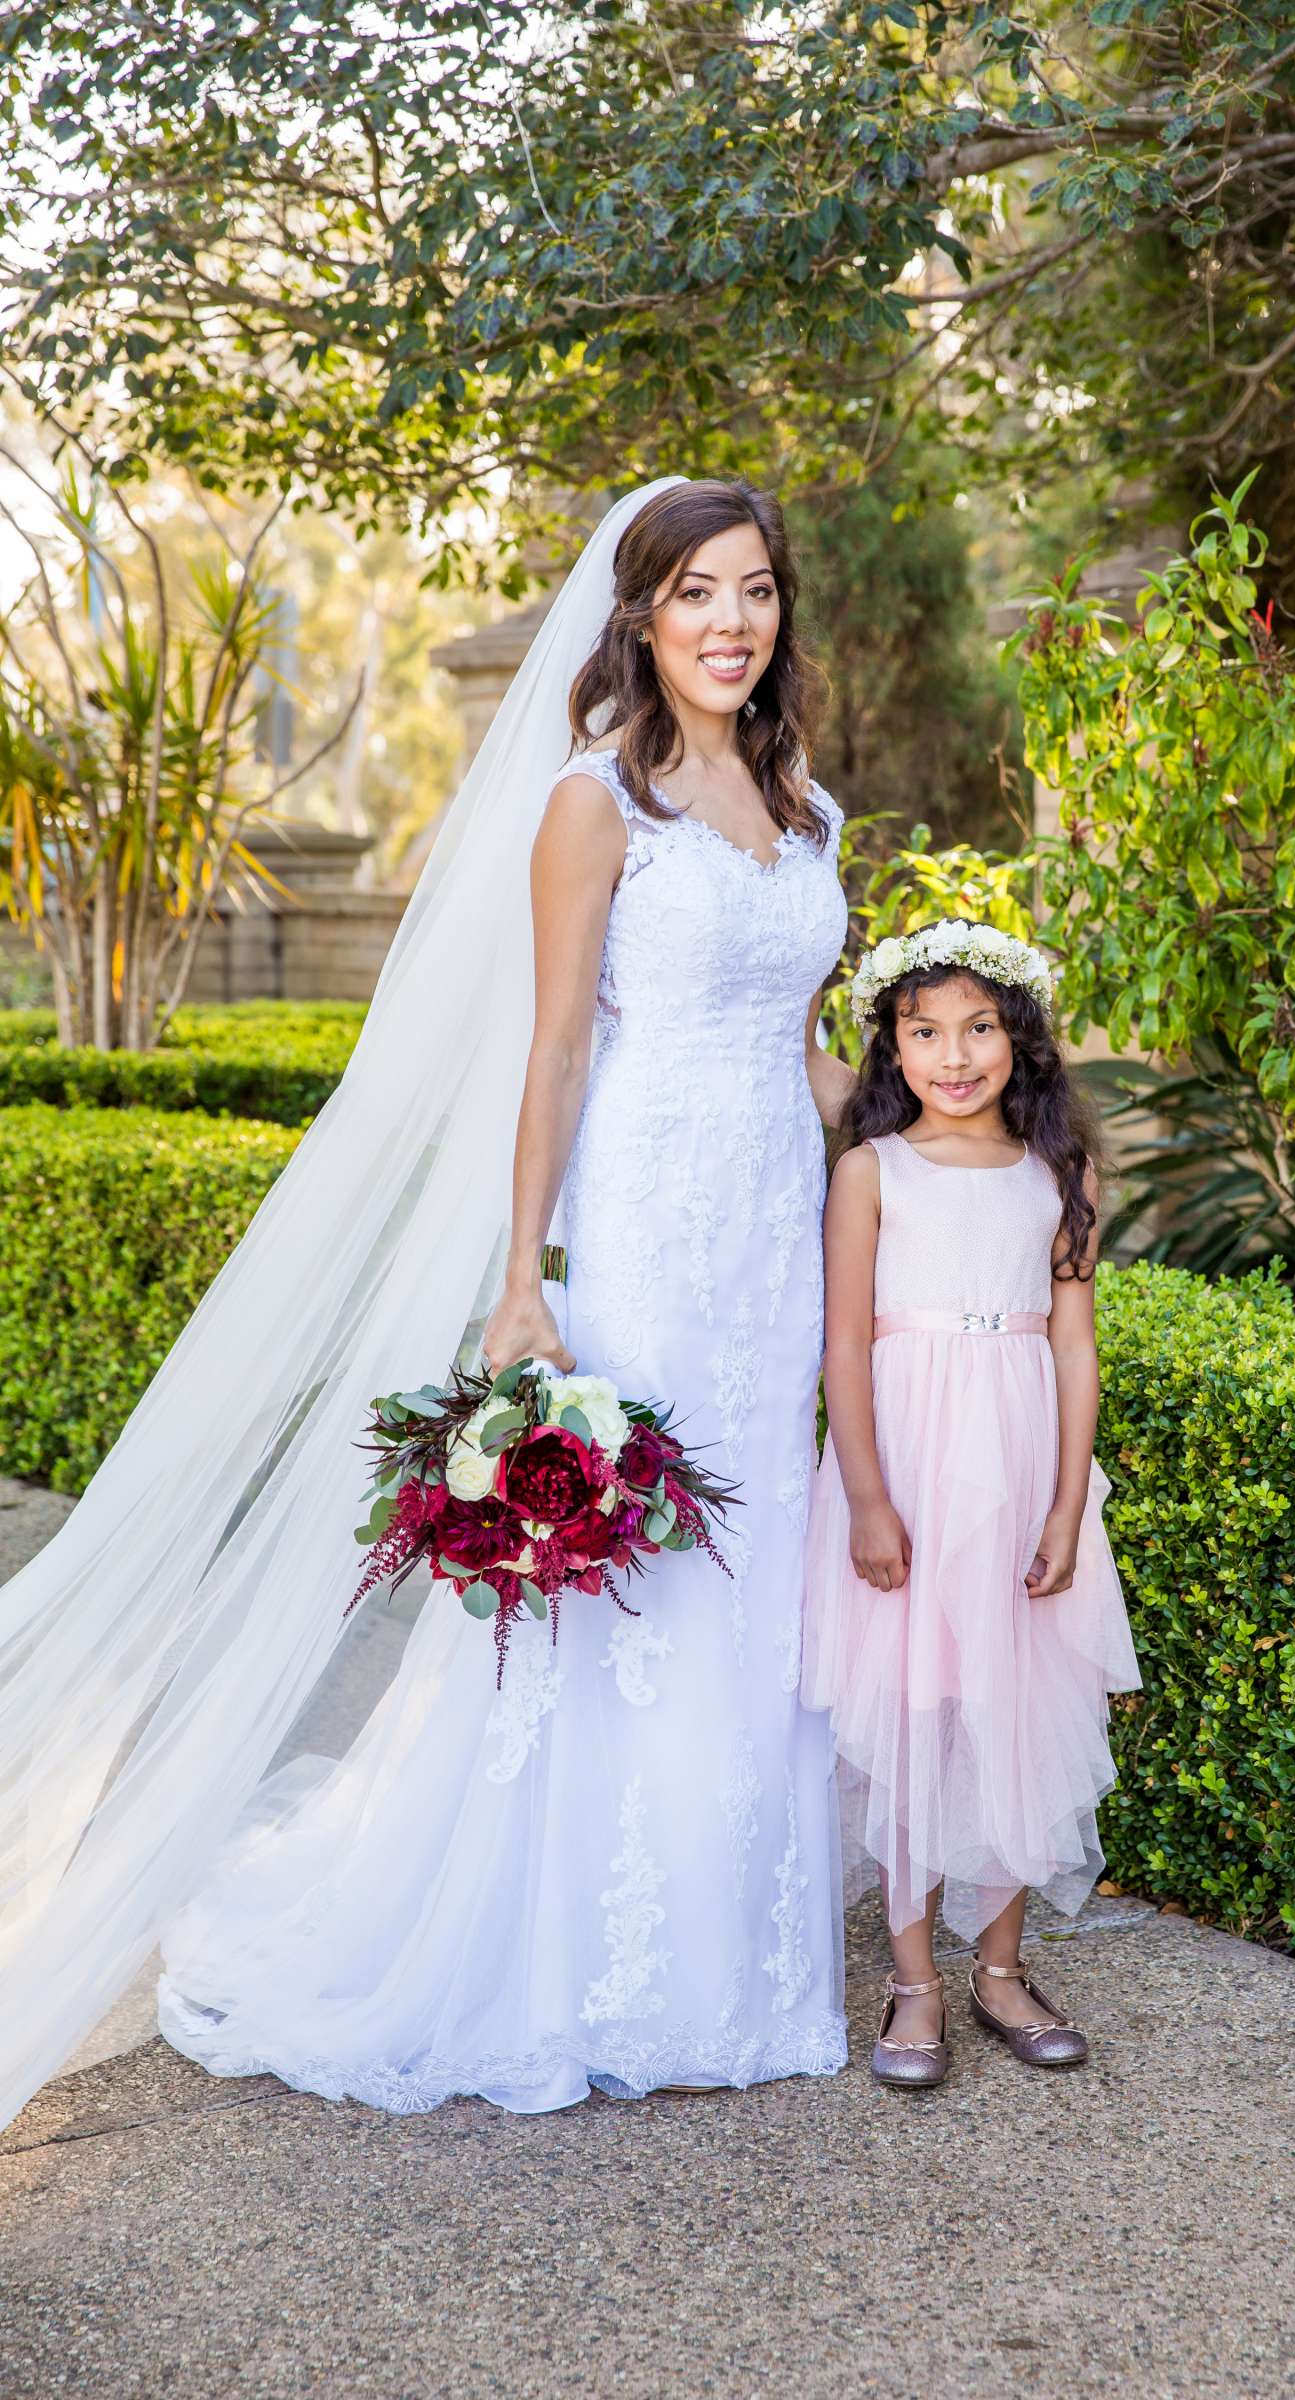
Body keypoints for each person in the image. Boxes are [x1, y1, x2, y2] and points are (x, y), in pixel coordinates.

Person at [0, 477, 854, 2128]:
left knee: (753, 1585)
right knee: (629, 1586)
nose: (732, 623)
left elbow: (802, 1046)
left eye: (754, 592)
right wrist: (522, 1277)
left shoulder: (807, 809)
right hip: (647, 1247)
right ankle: (570, 1955)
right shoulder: (594, 804)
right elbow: (551, 1048)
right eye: (696, 595)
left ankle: (734, 1951)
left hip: (778, 1260)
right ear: (641, 618)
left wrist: (948, 1140)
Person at [800, 921, 1141, 2091]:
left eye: (980, 1028)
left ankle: (1000, 1969)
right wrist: (865, 1499)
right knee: (913, 1711)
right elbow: (845, 1344)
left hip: (1016, 1464)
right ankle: (913, 1982)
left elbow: (1077, 1348)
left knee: (1013, 1704)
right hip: (909, 1462)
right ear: (891, 1048)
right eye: (925, 1031)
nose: (955, 1056)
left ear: (1019, 1038)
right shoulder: (870, 1172)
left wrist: (1063, 1507)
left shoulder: (1061, 1175)